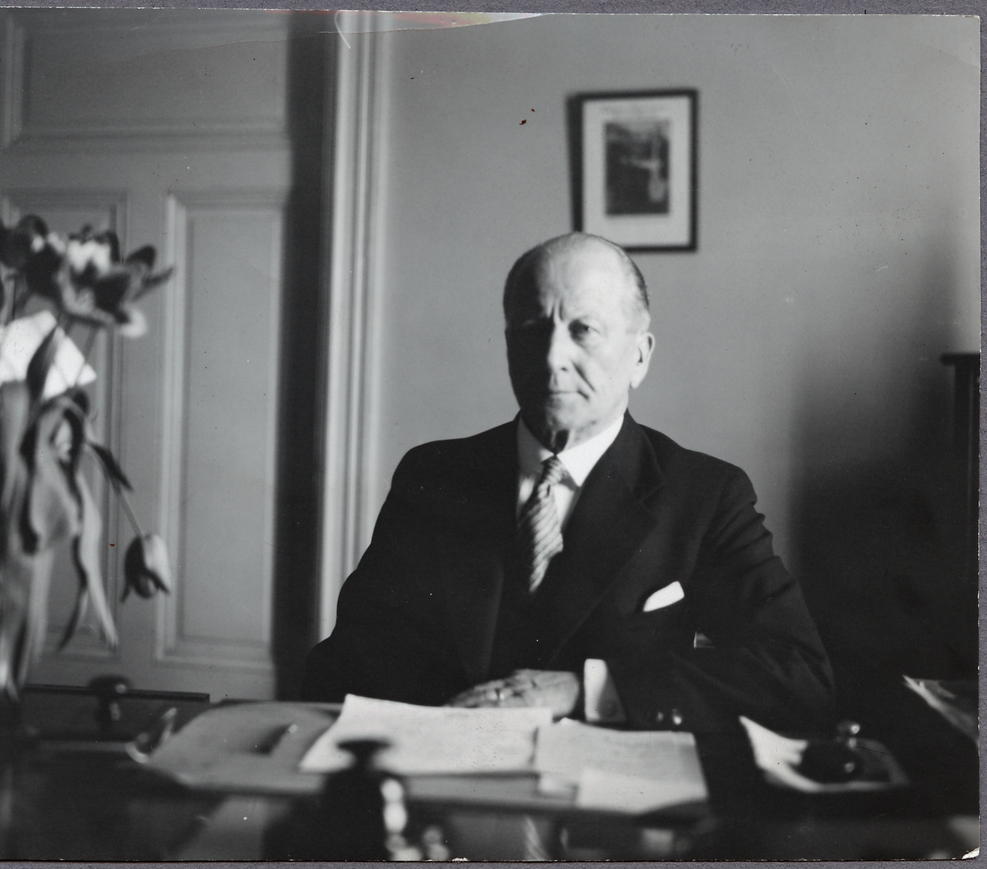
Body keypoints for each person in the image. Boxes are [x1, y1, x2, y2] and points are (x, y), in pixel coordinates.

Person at [302, 233, 834, 732]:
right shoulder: (433, 476)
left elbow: (799, 676)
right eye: (532, 330)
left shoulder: (705, 495)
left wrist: (589, 691)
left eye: (583, 330)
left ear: (640, 356)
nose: (552, 358)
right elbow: (347, 661)